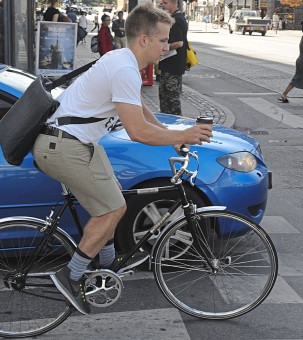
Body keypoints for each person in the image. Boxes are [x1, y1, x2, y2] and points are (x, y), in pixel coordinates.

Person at [32, 4, 212, 314]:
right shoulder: (125, 68)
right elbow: (138, 131)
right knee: (114, 210)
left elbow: (140, 109)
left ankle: (108, 260)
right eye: (162, 40)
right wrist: (184, 136)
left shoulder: (121, 60)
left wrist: (170, 135)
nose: (167, 47)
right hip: (65, 147)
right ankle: (70, 276)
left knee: (114, 195)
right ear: (144, 39)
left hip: (71, 143)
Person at [158, 0, 188, 116]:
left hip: (172, 66)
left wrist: (163, 48)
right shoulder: (176, 17)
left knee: (171, 101)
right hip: (170, 65)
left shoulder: (175, 19)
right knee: (165, 99)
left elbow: (179, 43)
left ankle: (176, 127)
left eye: (165, 3)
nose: (162, 4)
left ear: (173, 4)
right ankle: (166, 126)